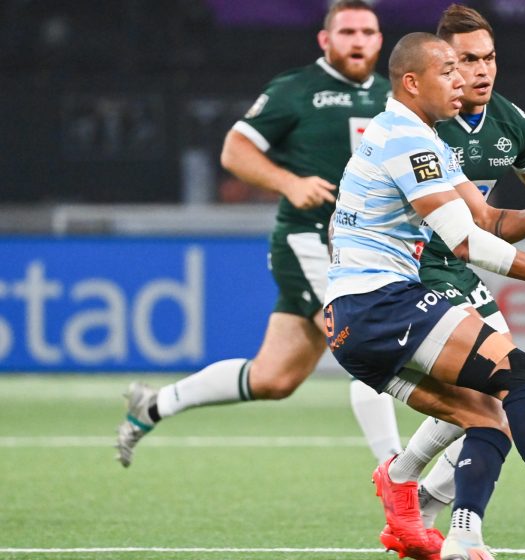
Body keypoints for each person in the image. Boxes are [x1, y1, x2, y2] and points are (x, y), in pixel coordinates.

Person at [324, 31, 525, 560]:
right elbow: (467, 241)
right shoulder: (406, 138)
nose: (461, 80)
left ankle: (459, 537)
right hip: (381, 303)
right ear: (412, 82)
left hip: (352, 323)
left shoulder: (420, 136)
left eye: (468, 66)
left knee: (486, 417)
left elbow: (486, 219)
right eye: (448, 70)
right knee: (523, 374)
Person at [115, 0, 407, 467]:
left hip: (366, 248)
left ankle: (154, 404)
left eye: (367, 32)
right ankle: (398, 478)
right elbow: (235, 150)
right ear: (325, 39)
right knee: (368, 348)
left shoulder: (392, 97)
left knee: (274, 378)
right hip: (309, 242)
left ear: (379, 40)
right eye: (347, 31)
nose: (358, 40)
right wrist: (289, 182)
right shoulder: (296, 89)